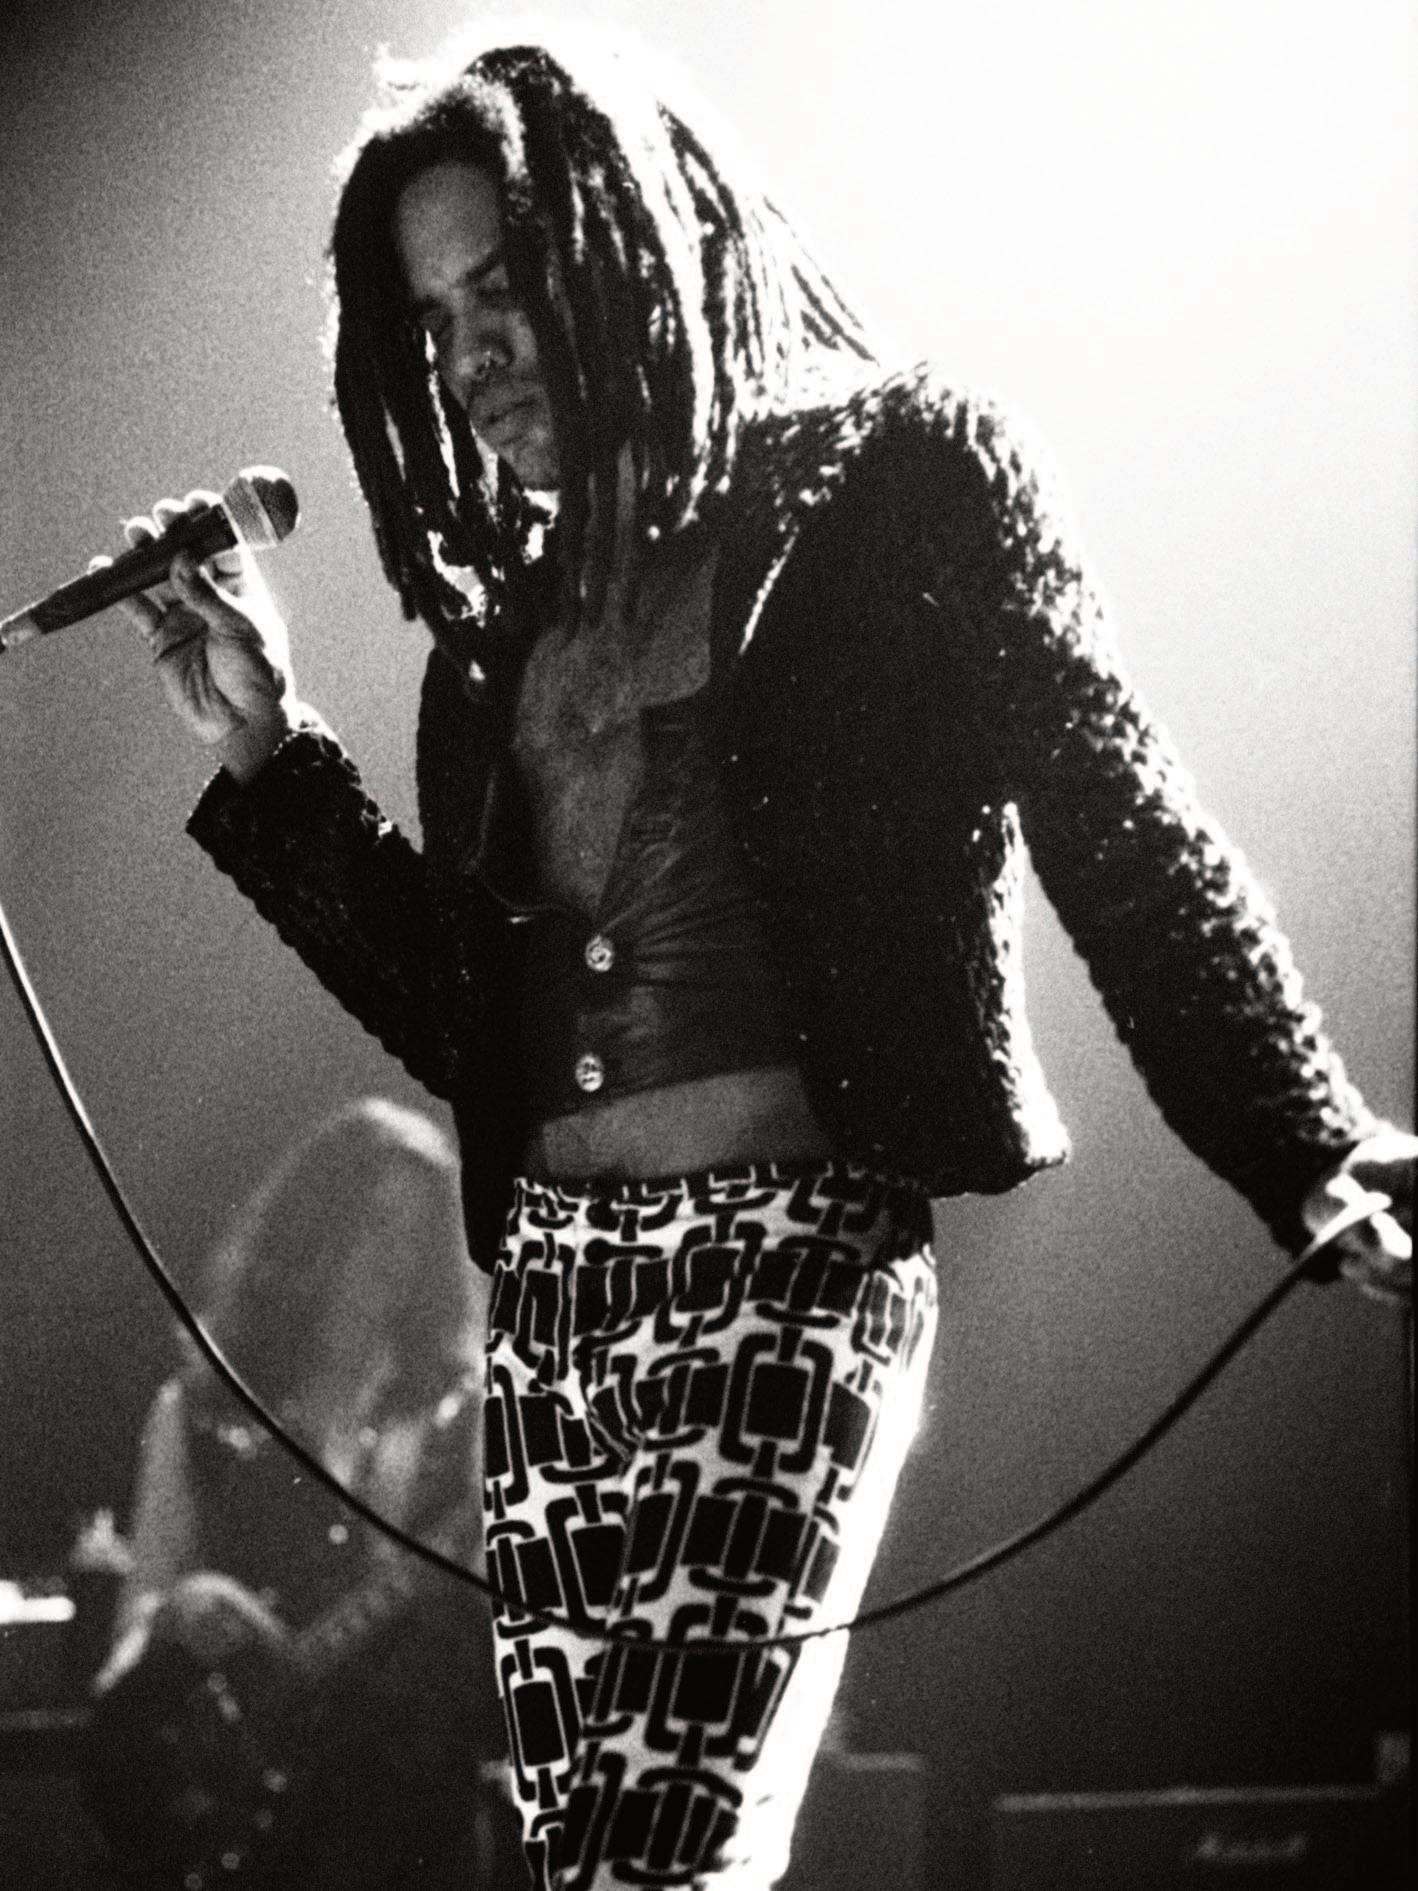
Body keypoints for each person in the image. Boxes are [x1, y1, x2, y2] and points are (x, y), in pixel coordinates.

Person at [92, 23, 1413, 1890]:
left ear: (627, 245)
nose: (471, 356)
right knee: (591, 1865)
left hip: (787, 1257)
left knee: (661, 1858)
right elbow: (472, 1028)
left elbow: (1111, 804)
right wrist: (268, 756)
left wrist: (1301, 1134)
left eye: (503, 286)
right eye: (434, 323)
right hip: (555, 1300)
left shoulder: (898, 471)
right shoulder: (501, 631)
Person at [84, 1096, 514, 1890]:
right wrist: (183, 1608)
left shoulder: (469, 1413)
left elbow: (512, 1626)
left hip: (416, 1811)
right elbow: (135, 1625)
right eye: (373, 1224)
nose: (391, 1257)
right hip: (256, 1822)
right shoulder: (201, 1409)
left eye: (417, 1234)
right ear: (316, 1226)